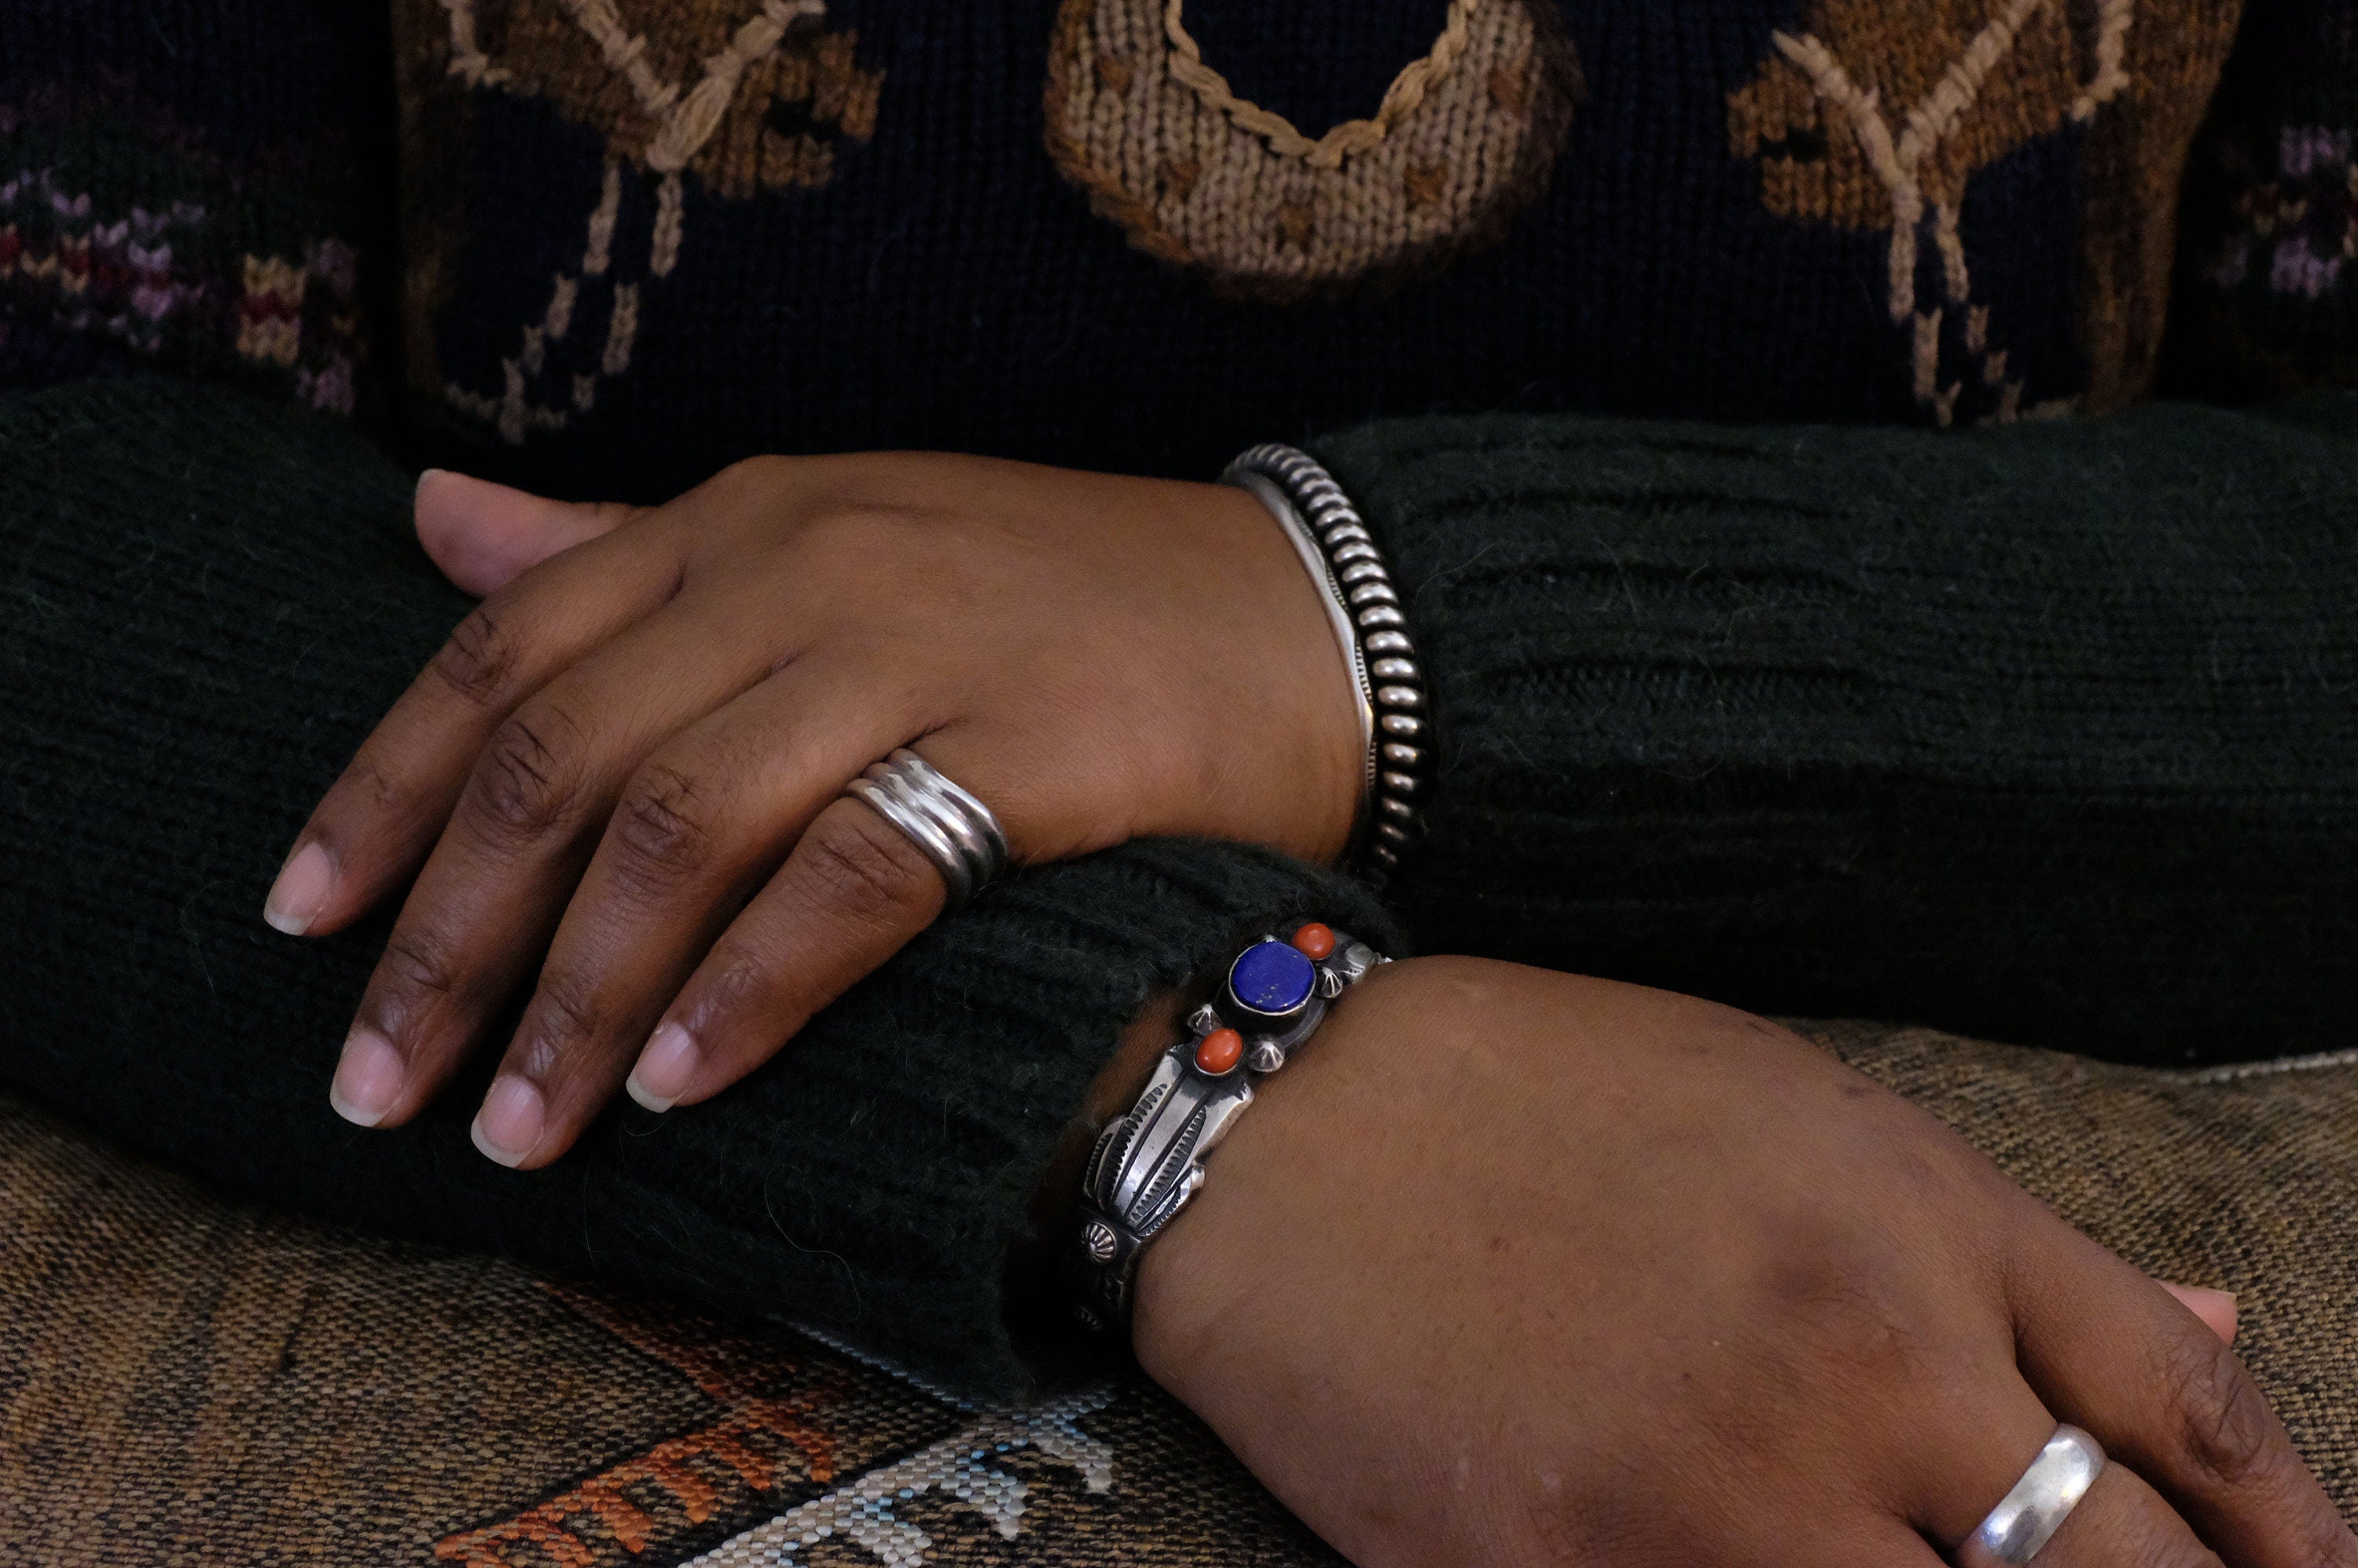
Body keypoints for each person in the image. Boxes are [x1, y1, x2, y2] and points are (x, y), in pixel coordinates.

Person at [4, 1, 2356, 1563]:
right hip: (490, 1191)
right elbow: (52, 453)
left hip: (2059, 1212)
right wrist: (1207, 1078)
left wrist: (1340, 628)